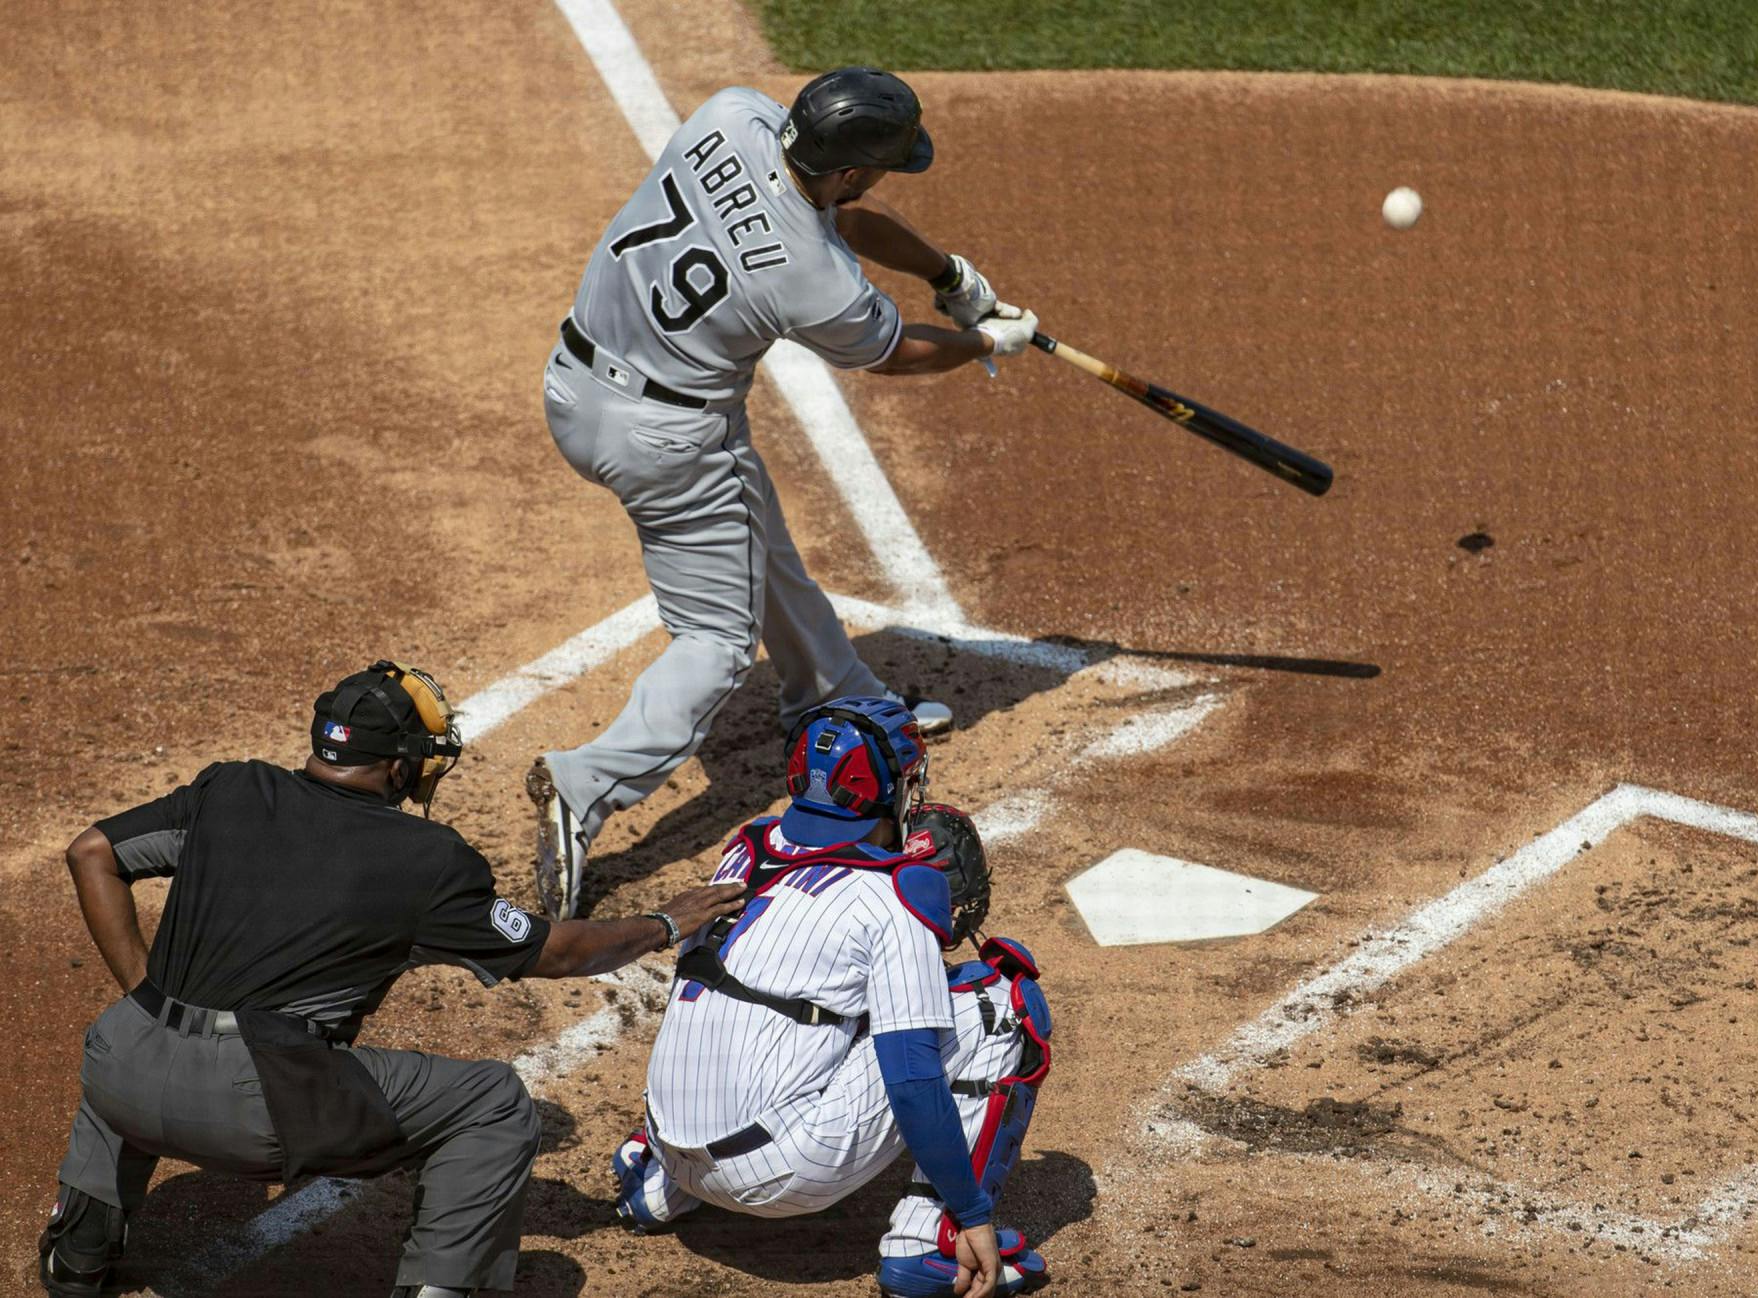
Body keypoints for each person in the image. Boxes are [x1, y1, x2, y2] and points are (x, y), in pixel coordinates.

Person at [38, 660, 745, 1298]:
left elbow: (92, 851)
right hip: (255, 1110)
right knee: (492, 1102)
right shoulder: (428, 860)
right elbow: (557, 952)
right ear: (399, 767)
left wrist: (145, 995)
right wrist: (664, 923)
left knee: (128, 1040)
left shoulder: (229, 787)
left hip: (120, 1071)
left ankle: (77, 1255)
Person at [528, 66, 1041, 921]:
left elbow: (838, 214)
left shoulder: (733, 117)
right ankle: (588, 785)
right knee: (718, 643)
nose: (878, 179)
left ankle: (840, 696)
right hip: (666, 440)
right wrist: (982, 339)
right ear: (849, 170)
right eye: (877, 166)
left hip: (577, 384)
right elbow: (891, 353)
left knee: (756, 532)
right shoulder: (814, 278)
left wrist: (949, 274)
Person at [610, 696, 1053, 1298]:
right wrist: (972, 1211)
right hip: (780, 1178)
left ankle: (661, 1188)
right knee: (1000, 1006)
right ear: (886, 786)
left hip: (669, 1143)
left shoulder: (746, 845)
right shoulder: (894, 893)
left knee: (765, 995)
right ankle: (929, 1245)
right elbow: (912, 1075)